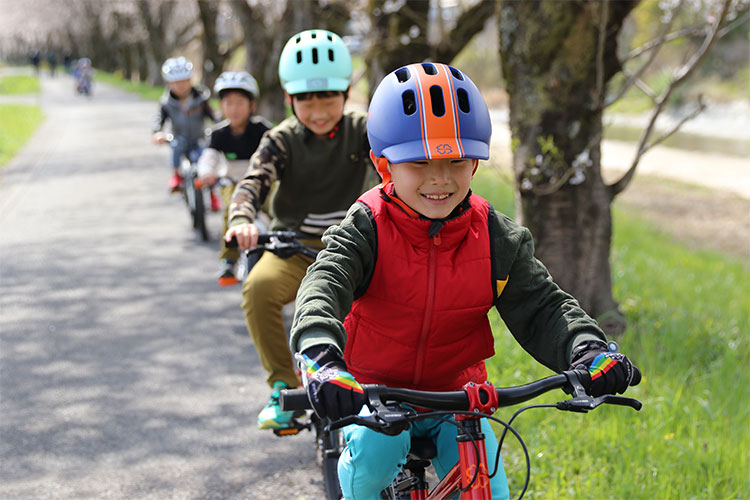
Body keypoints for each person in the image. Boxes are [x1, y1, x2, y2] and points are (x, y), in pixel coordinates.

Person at [289, 62, 639, 500]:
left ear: (475, 161)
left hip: (459, 395)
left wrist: (587, 348)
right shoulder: (368, 225)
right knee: (369, 472)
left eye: (456, 160)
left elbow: (544, 305)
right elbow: (326, 280)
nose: (440, 178)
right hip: (373, 391)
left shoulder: (496, 235)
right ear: (384, 165)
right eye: (419, 162)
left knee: (490, 489)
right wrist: (322, 355)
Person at [224, 29, 379, 431]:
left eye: (328, 97)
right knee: (258, 289)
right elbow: (253, 181)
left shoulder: (365, 130)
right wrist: (241, 219)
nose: (318, 110)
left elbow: (393, 172)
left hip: (355, 245)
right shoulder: (281, 140)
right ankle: (283, 386)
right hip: (294, 247)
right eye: (306, 100)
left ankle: (388, 382)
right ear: (290, 99)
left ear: (345, 94)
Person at [196, 71, 271, 286]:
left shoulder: (263, 130)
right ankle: (228, 259)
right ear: (221, 106)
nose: (234, 109)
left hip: (262, 181)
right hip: (232, 182)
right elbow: (208, 158)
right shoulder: (219, 134)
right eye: (228, 103)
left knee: (273, 209)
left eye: (240, 103)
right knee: (230, 212)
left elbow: (280, 153)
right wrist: (206, 173)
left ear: (252, 106)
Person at [151, 57, 219, 193]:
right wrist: (157, 132)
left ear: (190, 80)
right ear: (169, 83)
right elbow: (159, 119)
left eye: (184, 82)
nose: (181, 86)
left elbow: (213, 115)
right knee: (177, 145)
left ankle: (212, 194)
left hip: (199, 137)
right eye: (176, 83)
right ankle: (176, 175)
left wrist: (221, 123)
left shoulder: (201, 99)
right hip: (178, 137)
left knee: (205, 161)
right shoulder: (167, 103)